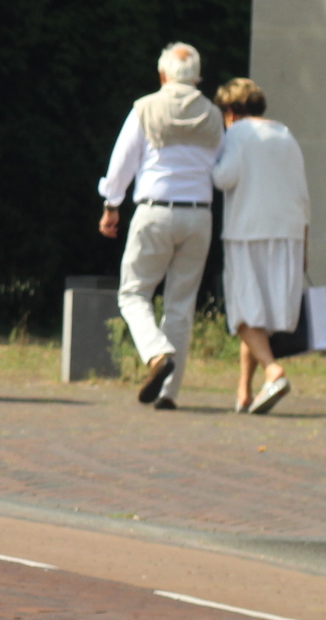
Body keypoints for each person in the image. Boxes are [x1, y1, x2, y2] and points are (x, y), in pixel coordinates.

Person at [97, 42, 222, 409]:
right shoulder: (214, 115)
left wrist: (111, 205)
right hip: (199, 214)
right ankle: (169, 393)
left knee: (133, 294)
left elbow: (122, 162)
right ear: (198, 77)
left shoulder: (145, 108)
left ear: (162, 74)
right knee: (181, 304)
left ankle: (155, 354)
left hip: (154, 211)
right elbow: (221, 166)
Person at [210, 78, 310, 415]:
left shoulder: (238, 133)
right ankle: (244, 392)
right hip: (289, 233)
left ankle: (273, 370)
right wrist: (305, 244)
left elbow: (223, 178)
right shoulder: (284, 133)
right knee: (260, 318)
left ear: (231, 110)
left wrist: (210, 157)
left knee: (242, 312)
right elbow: (302, 192)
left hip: (247, 231)